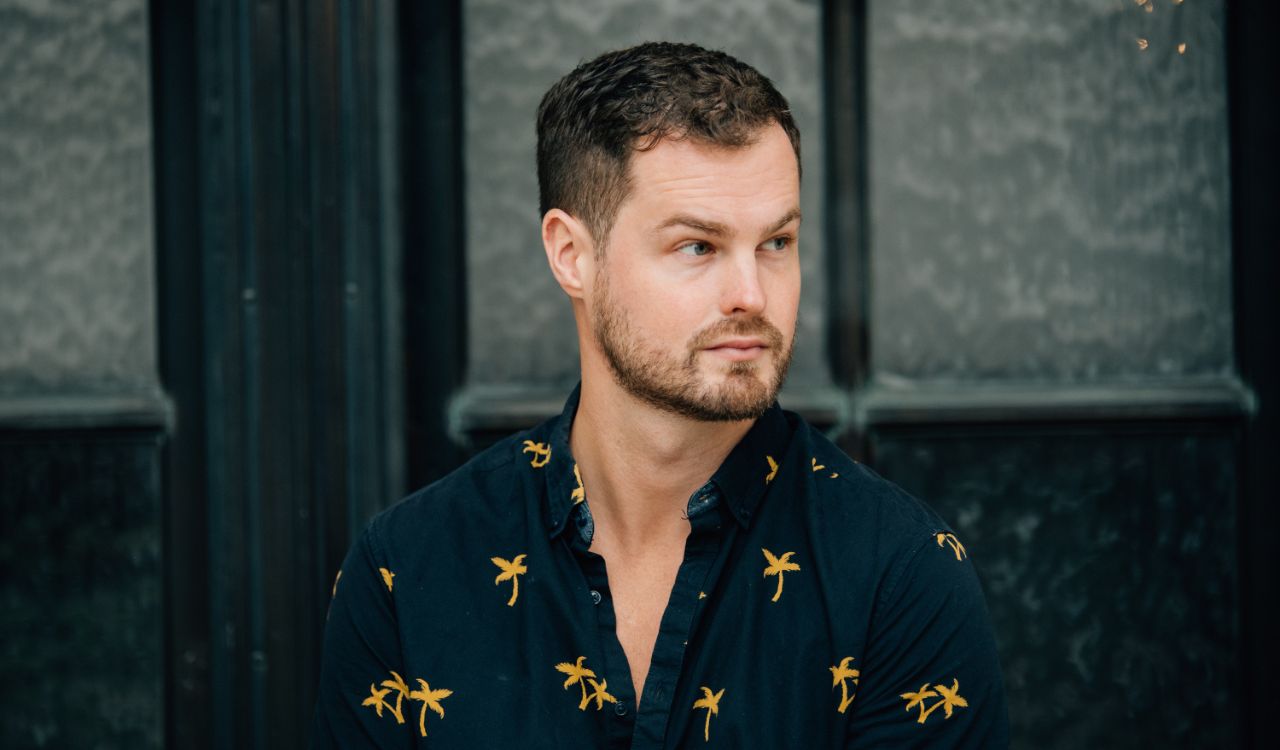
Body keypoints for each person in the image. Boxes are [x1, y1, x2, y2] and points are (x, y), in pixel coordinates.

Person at [313, 41, 1008, 748]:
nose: (752, 294)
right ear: (571, 256)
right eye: (698, 247)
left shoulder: (899, 576)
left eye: (776, 243)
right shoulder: (409, 571)